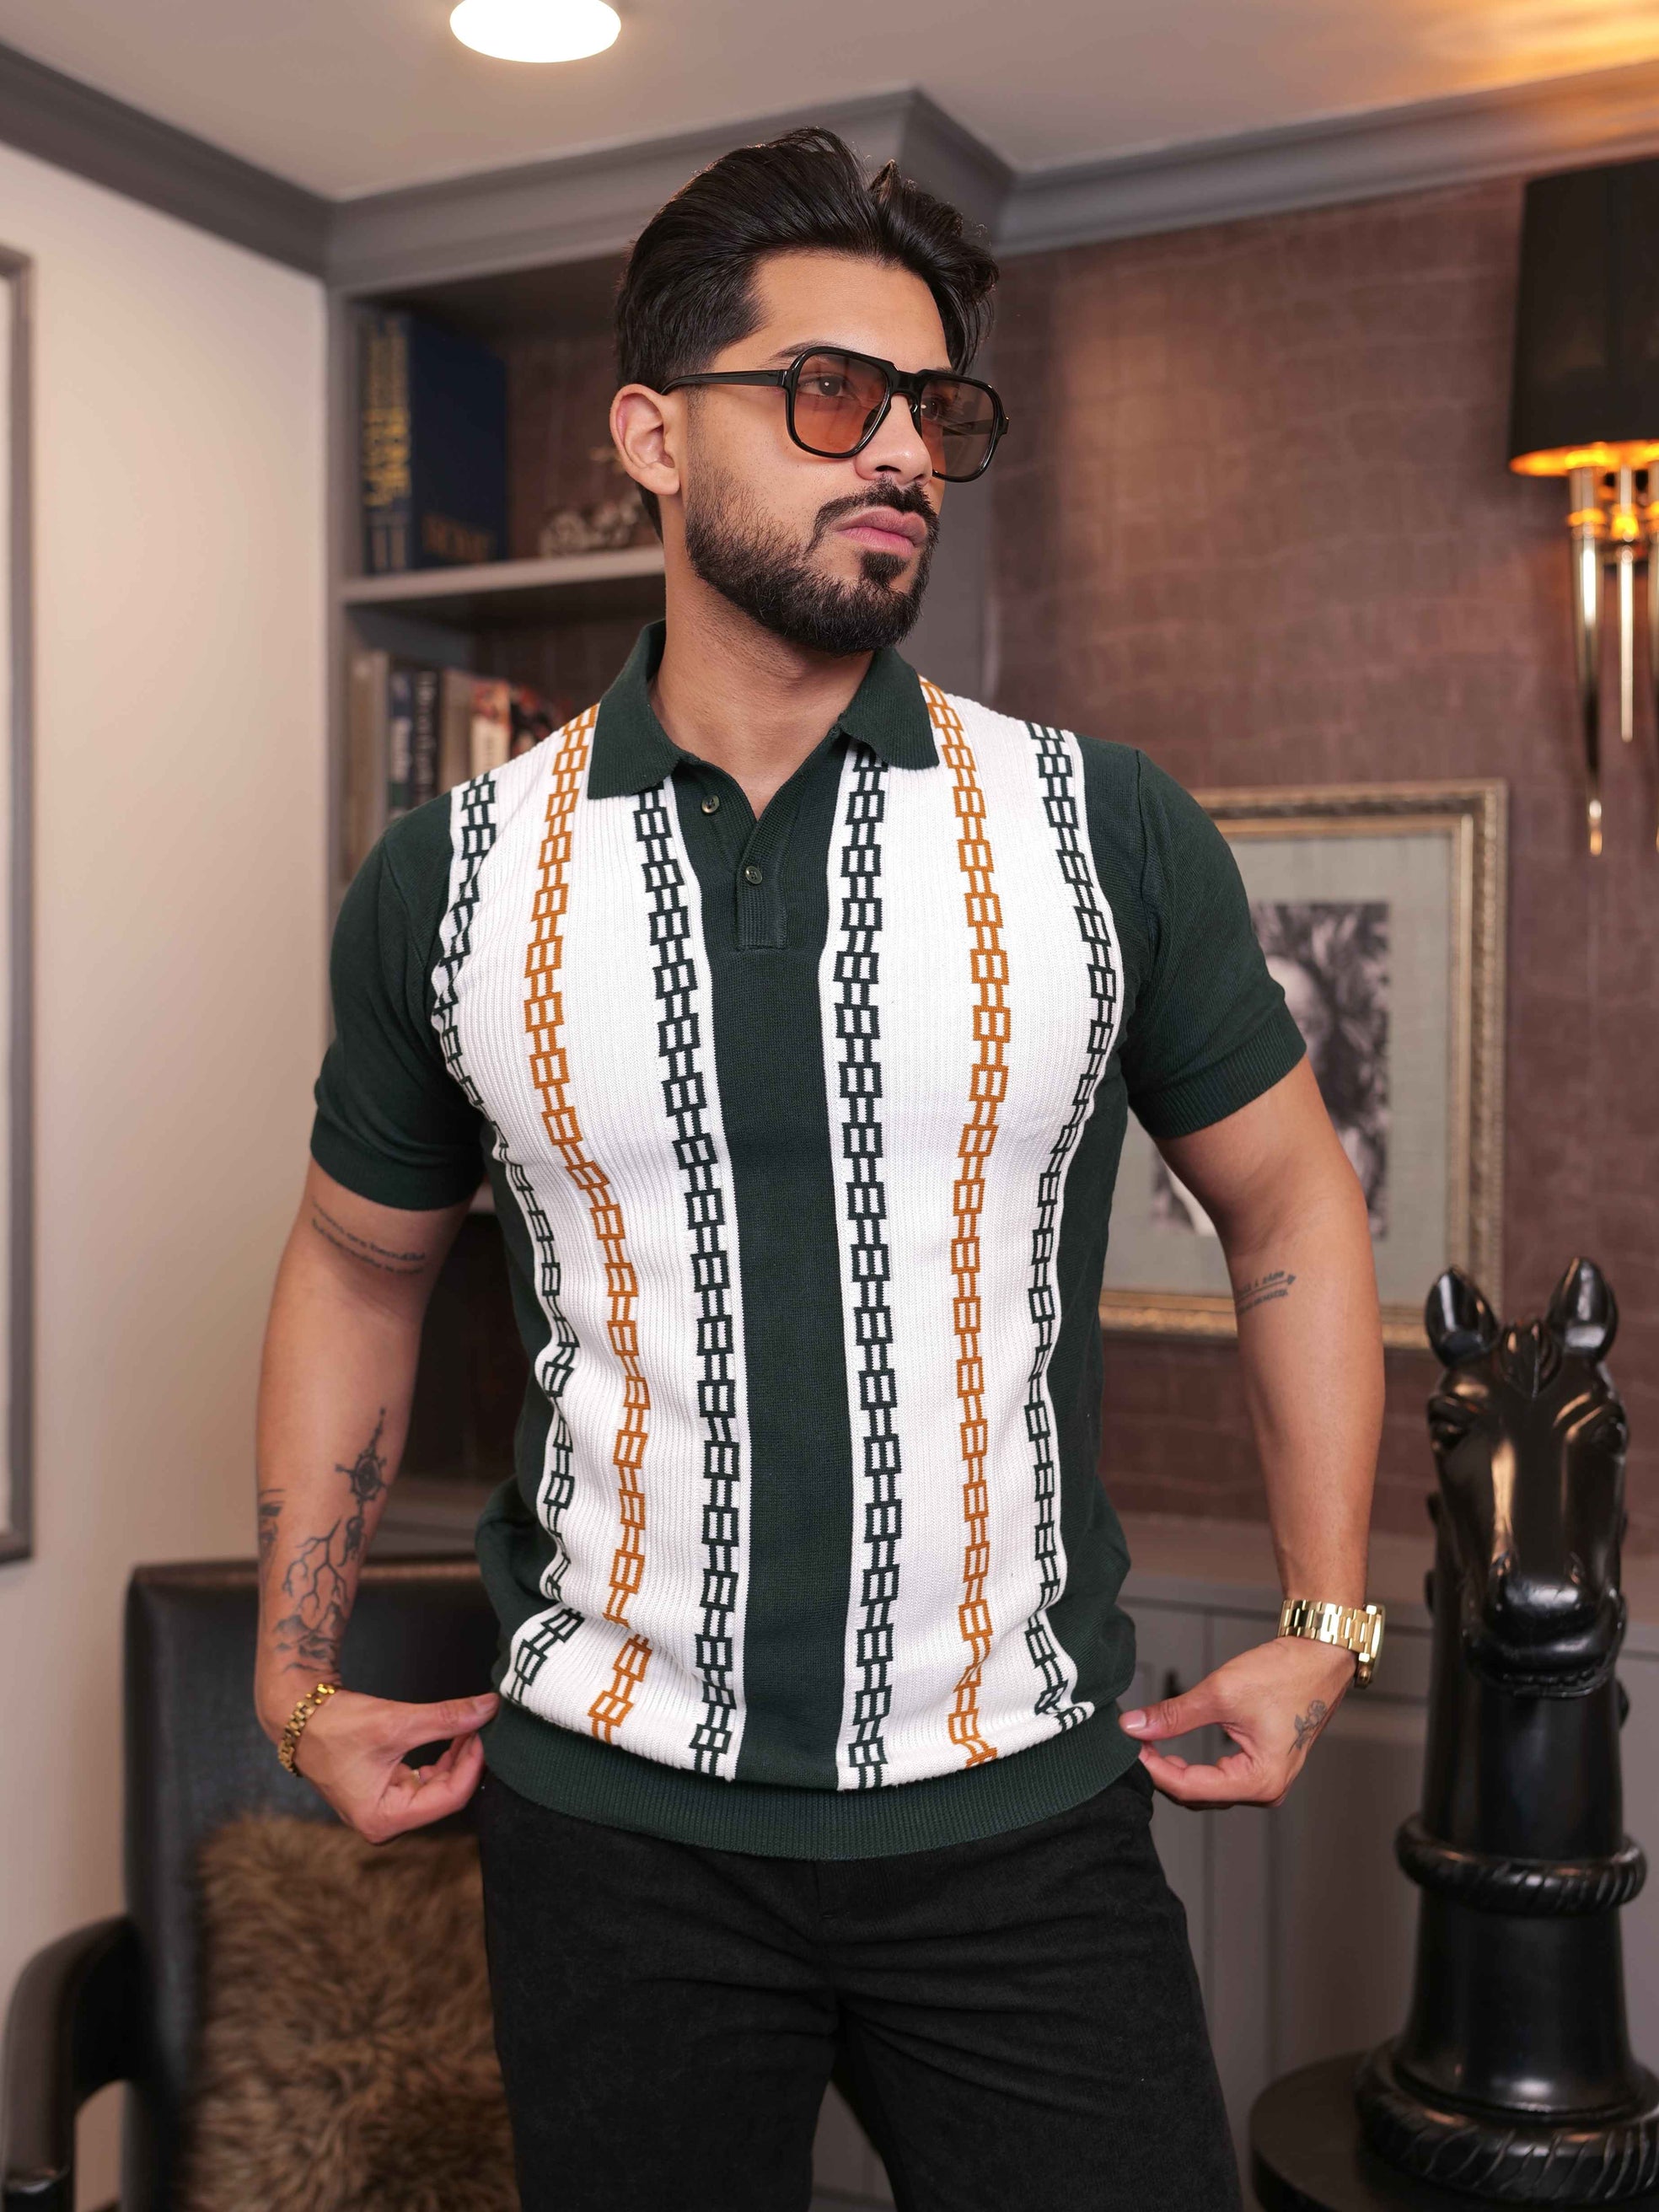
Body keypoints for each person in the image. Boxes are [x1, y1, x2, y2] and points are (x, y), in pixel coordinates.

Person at [253, 126, 1384, 2212]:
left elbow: (1292, 1200)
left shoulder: (1097, 828)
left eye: (934, 410)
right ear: (651, 437)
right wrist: (291, 1661)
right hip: (611, 1835)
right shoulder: (458, 874)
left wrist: (1326, 1614)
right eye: (832, 393)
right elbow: (355, 1256)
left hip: (1024, 1814)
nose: (905, 454)